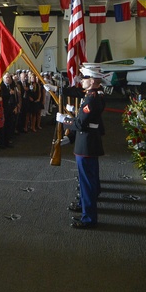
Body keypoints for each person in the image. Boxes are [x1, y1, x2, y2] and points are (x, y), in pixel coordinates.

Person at [61, 75, 106, 229]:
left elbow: (81, 124)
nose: (82, 81)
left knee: (87, 183)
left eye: (85, 79)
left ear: (92, 81)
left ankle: (89, 218)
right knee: (88, 180)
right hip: (87, 142)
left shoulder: (91, 99)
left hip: (86, 144)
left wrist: (65, 121)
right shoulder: (91, 96)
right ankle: (85, 208)